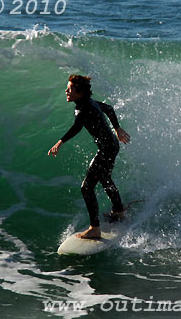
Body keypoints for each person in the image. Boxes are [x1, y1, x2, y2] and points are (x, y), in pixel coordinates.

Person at [48, 75, 130, 239]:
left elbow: (77, 126)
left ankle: (95, 228)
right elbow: (108, 108)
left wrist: (60, 142)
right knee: (105, 178)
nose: (66, 91)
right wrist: (117, 128)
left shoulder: (83, 108)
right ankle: (119, 211)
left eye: (70, 89)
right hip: (111, 146)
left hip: (107, 149)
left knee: (86, 187)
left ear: (79, 92)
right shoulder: (88, 102)